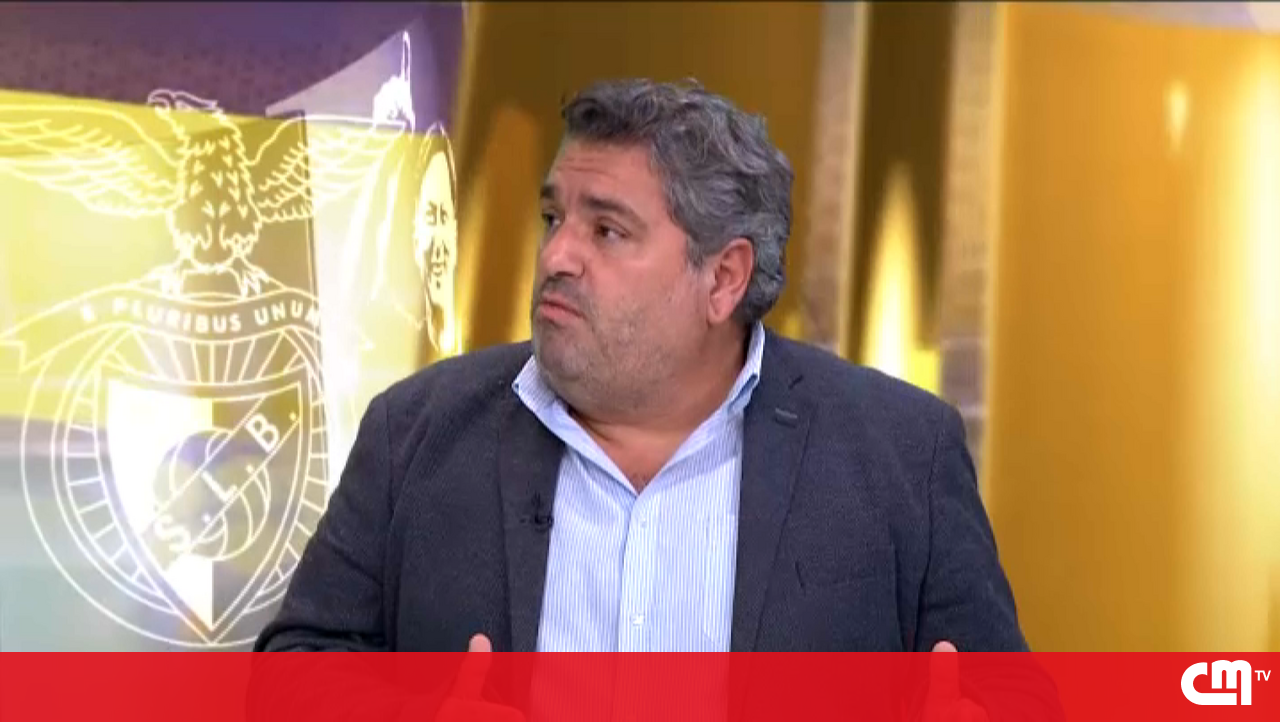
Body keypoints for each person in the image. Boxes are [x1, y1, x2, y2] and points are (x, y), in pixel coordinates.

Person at [253, 77, 1044, 718]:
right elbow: (288, 676)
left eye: (607, 231)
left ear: (723, 278)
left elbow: (1009, 698)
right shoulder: (415, 431)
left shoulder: (901, 451)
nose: (557, 255)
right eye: (554, 217)